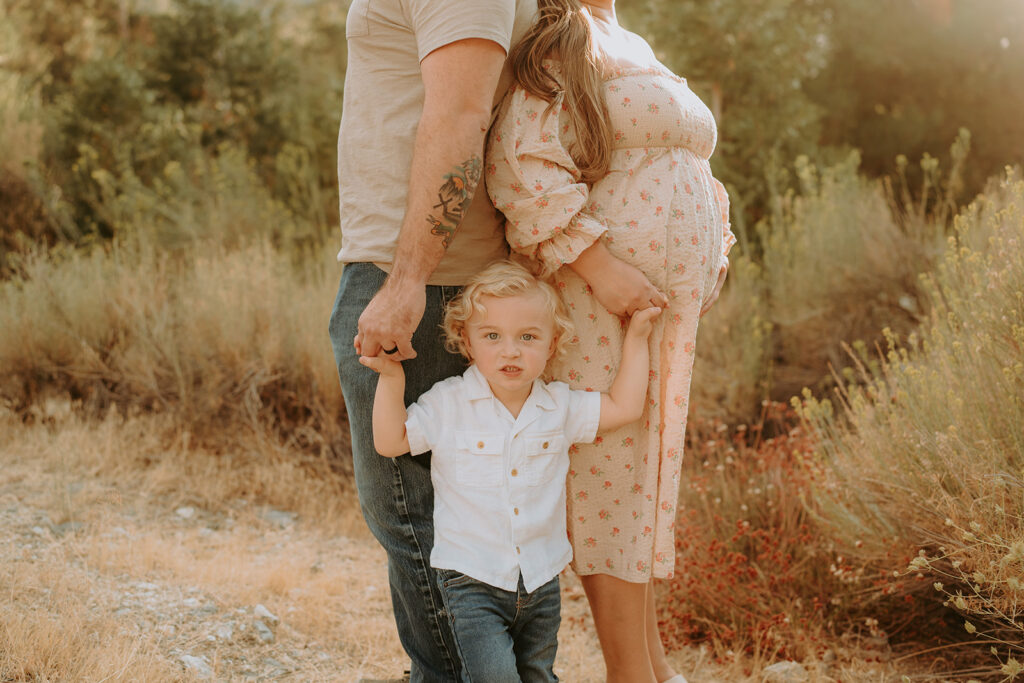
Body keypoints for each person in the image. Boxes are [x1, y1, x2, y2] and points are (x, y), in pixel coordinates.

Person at [486, 1, 736, 681]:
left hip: (654, 314)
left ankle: (651, 665)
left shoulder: (630, 40)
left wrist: (714, 245)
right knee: (612, 479)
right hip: (600, 307)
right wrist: (603, 271)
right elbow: (522, 165)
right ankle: (631, 671)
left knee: (645, 479)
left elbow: (682, 164)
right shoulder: (557, 43)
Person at [327, 1, 538, 681]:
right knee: (433, 528)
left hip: (428, 279)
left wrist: (408, 278)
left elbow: (459, 117)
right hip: (422, 273)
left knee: (416, 524)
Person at [359, 260, 661, 683]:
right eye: (493, 336)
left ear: (552, 344)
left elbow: (624, 407)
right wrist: (391, 380)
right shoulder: (449, 403)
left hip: (540, 581)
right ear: (468, 342)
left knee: (538, 674)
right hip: (471, 583)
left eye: (528, 337)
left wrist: (638, 337)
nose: (511, 350)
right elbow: (391, 443)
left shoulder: (558, 407)